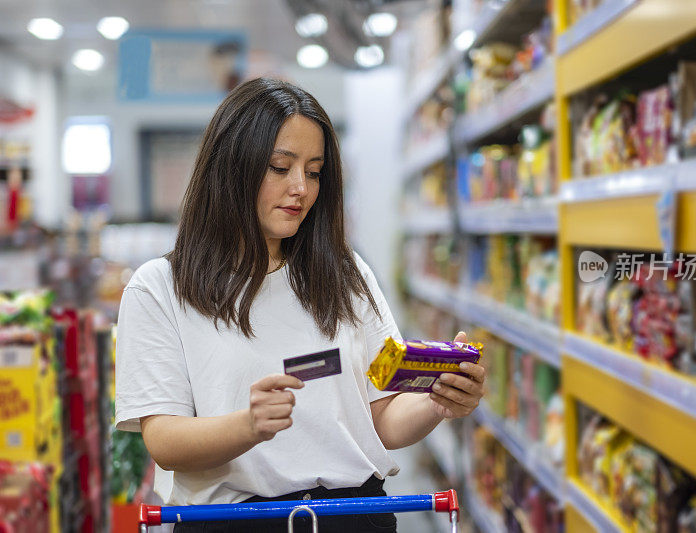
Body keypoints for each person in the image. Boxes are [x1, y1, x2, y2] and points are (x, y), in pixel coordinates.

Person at [114, 78, 485, 533]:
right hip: (233, 521)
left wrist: (438, 399)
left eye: (313, 172)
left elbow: (383, 417)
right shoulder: (160, 289)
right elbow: (164, 440)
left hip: (355, 518)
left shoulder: (347, 274)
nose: (300, 190)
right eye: (279, 167)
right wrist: (247, 425)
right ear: (231, 167)